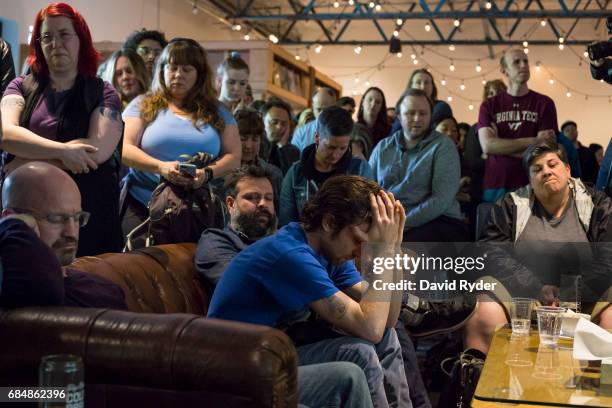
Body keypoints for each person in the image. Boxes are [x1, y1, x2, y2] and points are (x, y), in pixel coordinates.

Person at [208, 175, 412, 407]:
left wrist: (393, 248)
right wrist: (382, 251)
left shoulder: (329, 252)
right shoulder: (290, 254)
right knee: (353, 369)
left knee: (385, 339)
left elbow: (387, 322)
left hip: (274, 355)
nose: (359, 253)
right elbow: (370, 328)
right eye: (357, 240)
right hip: (238, 372)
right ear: (329, 222)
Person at [465, 139, 612, 353]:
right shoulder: (509, 205)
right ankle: (479, 381)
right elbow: (491, 253)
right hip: (524, 297)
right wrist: (535, 287)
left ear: (568, 169)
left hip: (585, 298)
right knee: (483, 309)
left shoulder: (598, 204)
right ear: (530, 179)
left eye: (552, 165)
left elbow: (608, 258)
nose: (546, 172)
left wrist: (573, 291)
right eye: (537, 169)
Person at [1, 2, 124, 256]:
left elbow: (96, 152)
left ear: (81, 39)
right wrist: (64, 151)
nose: (55, 43)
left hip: (85, 217)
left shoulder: (102, 91)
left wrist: (25, 161)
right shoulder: (19, 86)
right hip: (28, 213)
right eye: (47, 37)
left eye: (64, 35)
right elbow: (6, 134)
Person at [120, 38, 240, 238]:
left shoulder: (218, 110)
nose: (178, 75)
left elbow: (234, 156)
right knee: (140, 266)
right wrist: (161, 167)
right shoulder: (142, 104)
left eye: (186, 69)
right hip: (143, 204)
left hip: (198, 207)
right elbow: (124, 148)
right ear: (162, 70)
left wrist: (206, 173)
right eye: (172, 67)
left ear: (199, 74)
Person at [0, 162, 126, 310]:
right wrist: (13, 225)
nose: (71, 233)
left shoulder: (107, 291)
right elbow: (42, 292)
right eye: (57, 219)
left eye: (78, 218)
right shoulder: (23, 287)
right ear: (12, 218)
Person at [369, 88, 467, 242]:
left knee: (406, 249)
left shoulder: (443, 146)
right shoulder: (382, 148)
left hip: (438, 220)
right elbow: (368, 190)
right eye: (410, 113)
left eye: (423, 113)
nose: (417, 118)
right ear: (399, 117)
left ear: (430, 116)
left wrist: (401, 224)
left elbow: (441, 199)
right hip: (388, 222)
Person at [478, 48, 559, 203]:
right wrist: (535, 140)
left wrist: (501, 146)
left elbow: (547, 147)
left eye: (526, 61)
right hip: (497, 183)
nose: (523, 65)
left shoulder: (544, 103)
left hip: (535, 182)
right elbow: (488, 146)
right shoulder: (489, 106)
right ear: (504, 70)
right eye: (516, 62)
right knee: (497, 226)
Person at [280, 106, 373, 226]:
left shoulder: (360, 170)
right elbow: (287, 224)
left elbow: (366, 219)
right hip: (302, 241)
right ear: (317, 137)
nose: (336, 154)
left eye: (343, 148)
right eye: (331, 147)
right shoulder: (295, 174)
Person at [222, 109, 282, 209]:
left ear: (260, 141)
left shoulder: (273, 174)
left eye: (255, 139)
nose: (248, 146)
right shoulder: (219, 171)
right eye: (243, 139)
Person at [388, 69, 453, 138]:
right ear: (411, 87)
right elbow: (393, 134)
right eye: (418, 82)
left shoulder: (441, 107)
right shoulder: (403, 107)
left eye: (426, 83)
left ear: (432, 87)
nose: (423, 87)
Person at [260, 98, 300, 175]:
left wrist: (283, 147)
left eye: (284, 124)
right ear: (262, 122)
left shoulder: (294, 152)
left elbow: (291, 177)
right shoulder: (255, 146)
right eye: (274, 122)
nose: (279, 127)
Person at [291, 87, 336, 151]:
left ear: (334, 108)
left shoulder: (344, 131)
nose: (321, 114)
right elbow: (293, 157)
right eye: (318, 109)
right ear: (313, 107)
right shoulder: (301, 133)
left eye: (326, 110)